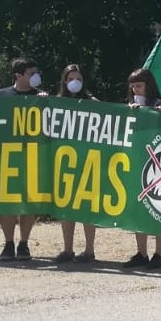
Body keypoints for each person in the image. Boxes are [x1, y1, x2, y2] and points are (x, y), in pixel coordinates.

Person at [0, 56, 48, 261]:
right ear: (18, 75)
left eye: (36, 73)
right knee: (8, 203)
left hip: (33, 155)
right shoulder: (1, 95)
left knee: (30, 202)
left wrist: (45, 104)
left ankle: (24, 244)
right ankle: (8, 243)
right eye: (31, 74)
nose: (36, 77)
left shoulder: (41, 96)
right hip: (8, 156)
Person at [122, 68, 161, 269]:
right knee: (138, 210)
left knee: (159, 208)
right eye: (133, 86)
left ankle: (158, 254)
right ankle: (141, 253)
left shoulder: (159, 104)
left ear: (149, 86)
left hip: (158, 165)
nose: (136, 89)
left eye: (139, 85)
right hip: (137, 161)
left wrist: (160, 112)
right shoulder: (131, 105)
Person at [52, 64, 103, 263]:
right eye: (71, 78)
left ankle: (89, 250)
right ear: (65, 80)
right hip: (64, 161)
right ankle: (68, 249)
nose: (75, 82)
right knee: (66, 207)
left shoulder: (92, 102)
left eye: (79, 79)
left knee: (87, 208)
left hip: (87, 161)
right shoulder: (56, 102)